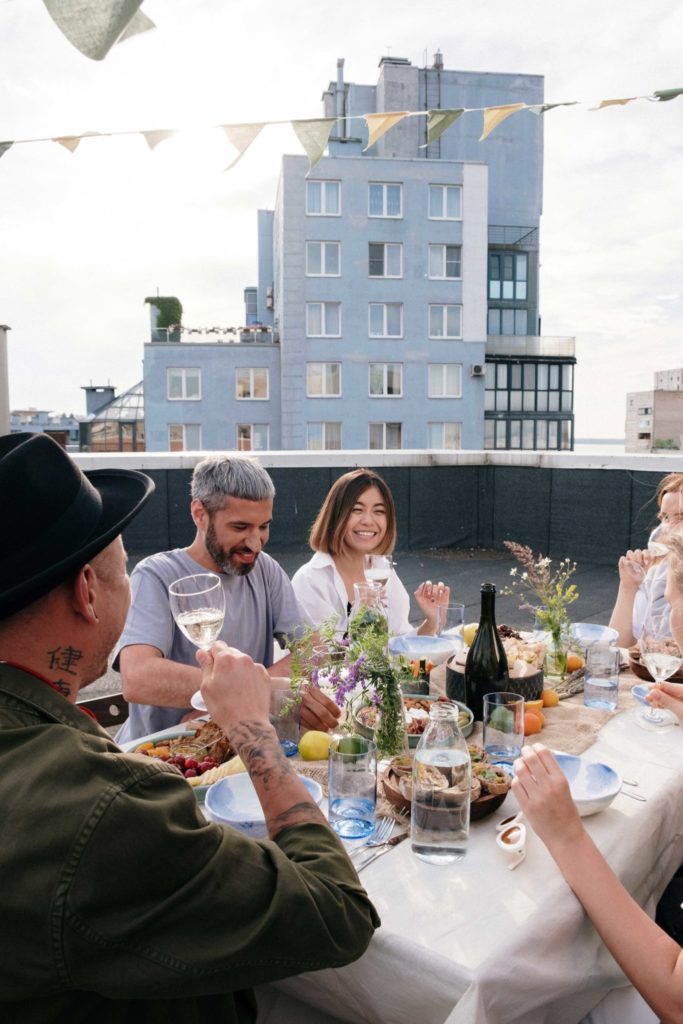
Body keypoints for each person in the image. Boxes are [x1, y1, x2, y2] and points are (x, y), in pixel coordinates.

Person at [0, 432, 379, 1021]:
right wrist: (250, 717)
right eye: (118, 571)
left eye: (264, 528)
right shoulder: (112, 805)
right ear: (86, 593)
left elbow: (308, 652)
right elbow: (337, 913)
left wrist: (259, 686)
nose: (255, 541)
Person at [115, 453, 340, 742]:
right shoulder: (155, 574)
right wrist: (253, 692)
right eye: (240, 527)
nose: (255, 543)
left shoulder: (266, 569)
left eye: (264, 527)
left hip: (238, 749)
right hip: (162, 760)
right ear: (200, 514)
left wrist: (239, 698)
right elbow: (137, 677)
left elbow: (313, 648)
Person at [292, 468, 449, 637]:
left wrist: (432, 622)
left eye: (379, 511)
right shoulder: (310, 580)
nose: (368, 521)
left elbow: (400, 645)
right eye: (356, 510)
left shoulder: (382, 571)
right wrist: (364, 609)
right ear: (336, 516)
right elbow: (323, 657)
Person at [609, 472, 683, 647]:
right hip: (658, 672)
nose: (670, 527)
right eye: (665, 517)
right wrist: (628, 587)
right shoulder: (657, 573)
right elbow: (619, 646)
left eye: (681, 517)